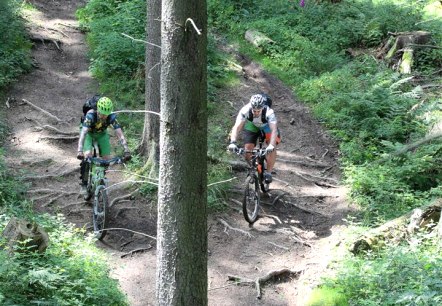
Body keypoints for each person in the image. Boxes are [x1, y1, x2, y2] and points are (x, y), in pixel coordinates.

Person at [76, 97, 131, 195]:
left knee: (106, 158)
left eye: (106, 115)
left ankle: (101, 176)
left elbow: (119, 133)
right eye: (102, 114)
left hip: (101, 134)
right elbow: (84, 133)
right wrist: (80, 150)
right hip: (88, 133)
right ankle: (84, 184)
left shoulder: (111, 117)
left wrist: (126, 149)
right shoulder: (90, 116)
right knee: (87, 155)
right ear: (98, 111)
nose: (104, 117)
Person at [228, 93, 281, 183]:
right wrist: (232, 142)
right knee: (247, 149)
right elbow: (237, 127)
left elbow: (273, 130)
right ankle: (254, 168)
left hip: (267, 127)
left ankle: (268, 173)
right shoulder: (245, 110)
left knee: (272, 148)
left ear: (263, 107)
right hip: (252, 125)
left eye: (258, 111)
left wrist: (271, 145)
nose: (256, 113)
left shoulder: (269, 112)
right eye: (254, 110)